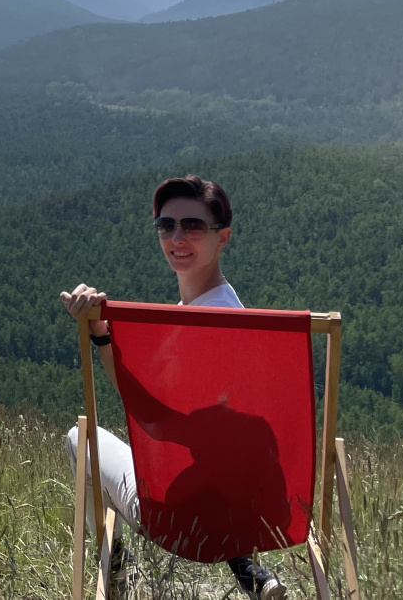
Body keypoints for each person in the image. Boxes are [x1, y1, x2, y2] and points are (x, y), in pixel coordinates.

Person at [59, 174, 286, 600]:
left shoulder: (195, 330)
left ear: (223, 238)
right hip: (247, 517)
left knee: (79, 438)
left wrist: (98, 335)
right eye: (166, 225)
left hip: (176, 519)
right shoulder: (234, 314)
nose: (177, 236)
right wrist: (104, 333)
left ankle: (117, 569)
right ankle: (245, 565)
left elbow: (153, 422)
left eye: (193, 226)